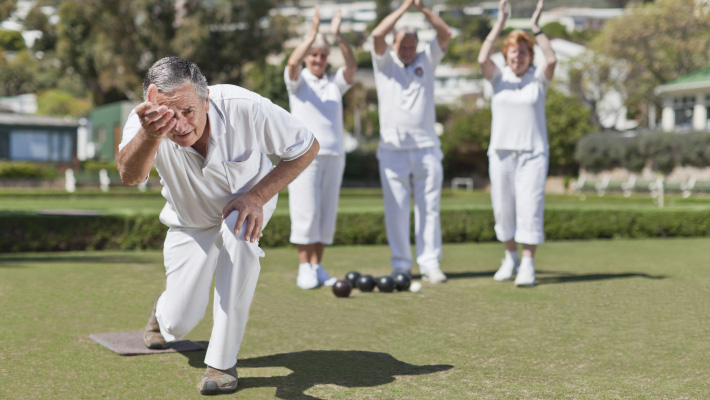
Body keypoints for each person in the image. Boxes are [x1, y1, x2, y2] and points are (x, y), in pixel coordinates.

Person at [116, 57, 318, 395]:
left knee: (240, 237)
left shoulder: (245, 107)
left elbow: (306, 146)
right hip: (189, 221)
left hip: (246, 205)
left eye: (188, 111)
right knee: (179, 322)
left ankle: (222, 365)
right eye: (169, 114)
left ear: (206, 98)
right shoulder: (144, 123)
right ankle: (161, 313)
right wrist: (151, 135)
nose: (179, 126)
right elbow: (130, 176)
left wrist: (257, 196)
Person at [477, 0, 557, 287]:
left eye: (523, 52)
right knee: (504, 209)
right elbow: (481, 59)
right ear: (506, 55)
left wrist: (537, 28)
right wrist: (499, 24)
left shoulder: (538, 78)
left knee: (530, 208)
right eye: (513, 52)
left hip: (533, 154)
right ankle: (510, 257)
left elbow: (552, 60)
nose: (518, 57)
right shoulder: (498, 78)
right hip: (501, 153)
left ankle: (527, 264)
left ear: (529, 55)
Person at [370, 0, 451, 283]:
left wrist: (423, 10)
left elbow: (445, 35)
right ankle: (402, 265)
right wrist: (404, 8)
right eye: (402, 46)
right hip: (392, 150)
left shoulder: (426, 61)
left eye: (410, 46)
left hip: (427, 149)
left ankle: (430, 263)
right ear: (394, 47)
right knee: (397, 211)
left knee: (430, 208)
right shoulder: (384, 63)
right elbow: (377, 36)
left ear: (417, 47)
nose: (407, 51)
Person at [284, 6, 356, 290]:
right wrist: (312, 33)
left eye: (322, 55)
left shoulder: (333, 85)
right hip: (304, 155)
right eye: (314, 54)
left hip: (334, 155)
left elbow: (350, 67)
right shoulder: (298, 83)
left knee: (326, 213)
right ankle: (304, 267)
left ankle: (317, 266)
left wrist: (338, 36)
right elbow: (292, 63)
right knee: (306, 211)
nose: (318, 59)